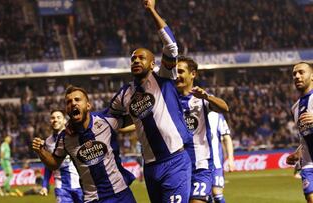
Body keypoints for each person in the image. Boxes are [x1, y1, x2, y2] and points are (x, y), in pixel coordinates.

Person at [108, 1, 192, 202]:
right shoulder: (126, 93)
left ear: (152, 63)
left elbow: (171, 46)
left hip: (175, 161)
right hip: (151, 167)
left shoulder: (163, 77)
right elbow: (107, 117)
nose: (136, 61)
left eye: (141, 58)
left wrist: (152, 10)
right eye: (133, 59)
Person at [32, 86, 136, 203]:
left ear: (88, 105)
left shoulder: (105, 120)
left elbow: (135, 118)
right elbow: (54, 164)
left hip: (120, 193)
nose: (73, 103)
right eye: (69, 102)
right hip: (92, 199)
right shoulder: (65, 138)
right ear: (67, 109)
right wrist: (41, 151)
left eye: (77, 100)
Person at [175, 55, 229, 203]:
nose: (177, 75)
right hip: (176, 167)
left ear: (193, 74)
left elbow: (224, 108)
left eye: (180, 71)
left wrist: (207, 97)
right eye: (175, 72)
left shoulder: (201, 98)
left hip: (201, 165)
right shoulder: (169, 100)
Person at [39, 109, 83, 203]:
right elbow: (49, 166)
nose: (55, 120)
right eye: (52, 118)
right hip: (61, 188)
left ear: (64, 120)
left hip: (80, 185)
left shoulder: (75, 137)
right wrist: (44, 185)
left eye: (58, 117)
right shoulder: (48, 142)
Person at [286, 62, 313, 203]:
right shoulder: (295, 108)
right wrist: (297, 153)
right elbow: (305, 136)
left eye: (301, 72)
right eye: (294, 74)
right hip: (308, 164)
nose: (297, 76)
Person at [208, 112, 234, 203]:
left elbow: (227, 138)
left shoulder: (217, 115)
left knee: (217, 194)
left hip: (215, 162)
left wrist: (231, 159)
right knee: (205, 197)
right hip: (198, 162)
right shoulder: (192, 113)